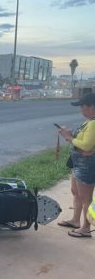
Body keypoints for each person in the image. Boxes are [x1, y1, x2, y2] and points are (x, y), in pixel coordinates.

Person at [57, 92, 95, 238]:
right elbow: (83, 141)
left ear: (92, 106)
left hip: (86, 165)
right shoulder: (89, 122)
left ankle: (85, 228)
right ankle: (75, 220)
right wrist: (70, 135)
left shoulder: (93, 123)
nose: (81, 110)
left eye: (82, 106)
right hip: (79, 162)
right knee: (75, 192)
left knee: (86, 198)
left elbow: (86, 145)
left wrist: (69, 137)